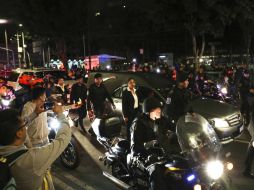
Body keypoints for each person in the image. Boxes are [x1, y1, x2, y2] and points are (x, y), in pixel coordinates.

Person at [0, 103, 71, 190]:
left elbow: (23, 123)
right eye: (24, 126)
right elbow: (63, 139)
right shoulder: (31, 159)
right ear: (19, 134)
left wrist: (35, 113)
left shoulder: (5, 146)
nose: (25, 126)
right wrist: (60, 115)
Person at [130, 96, 172, 190]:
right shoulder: (138, 124)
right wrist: (148, 149)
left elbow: (173, 128)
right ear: (148, 111)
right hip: (144, 156)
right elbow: (135, 147)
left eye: (159, 108)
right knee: (156, 172)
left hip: (161, 153)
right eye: (156, 109)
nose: (159, 111)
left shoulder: (160, 120)